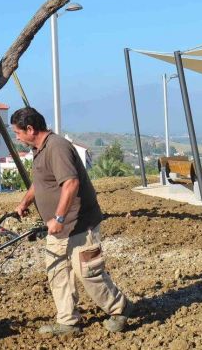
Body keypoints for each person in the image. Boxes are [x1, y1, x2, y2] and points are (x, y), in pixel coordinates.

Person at [11, 107, 130, 336]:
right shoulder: (39, 149)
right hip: (57, 227)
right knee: (57, 270)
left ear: (30, 129)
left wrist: (59, 217)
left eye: (17, 132)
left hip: (78, 222)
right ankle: (68, 322)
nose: (16, 137)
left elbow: (71, 184)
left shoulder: (57, 147)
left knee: (88, 271)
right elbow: (41, 182)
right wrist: (25, 202)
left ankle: (120, 308)